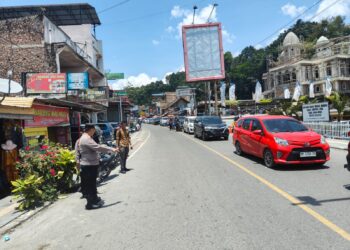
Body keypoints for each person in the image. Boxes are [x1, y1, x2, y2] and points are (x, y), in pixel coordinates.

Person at [75, 124, 117, 210]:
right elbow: (98, 147)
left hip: (91, 164)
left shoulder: (87, 137)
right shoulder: (85, 139)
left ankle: (95, 199)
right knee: (90, 185)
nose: (94, 132)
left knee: (93, 184)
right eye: (94, 130)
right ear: (91, 129)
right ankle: (90, 204)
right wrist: (111, 149)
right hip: (88, 165)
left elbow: (97, 146)